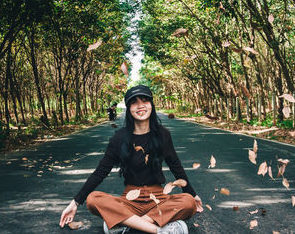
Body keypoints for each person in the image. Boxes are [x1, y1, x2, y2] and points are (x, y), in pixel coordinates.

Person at [60, 85, 203, 234]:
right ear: (129, 108)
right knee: (93, 199)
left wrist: (193, 194)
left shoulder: (162, 135)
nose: (140, 106)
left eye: (145, 101)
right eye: (134, 102)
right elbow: (100, 172)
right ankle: (159, 230)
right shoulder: (119, 138)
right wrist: (75, 202)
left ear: (151, 105)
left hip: (159, 199)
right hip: (129, 201)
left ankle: (125, 223)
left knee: (188, 202)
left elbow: (176, 166)